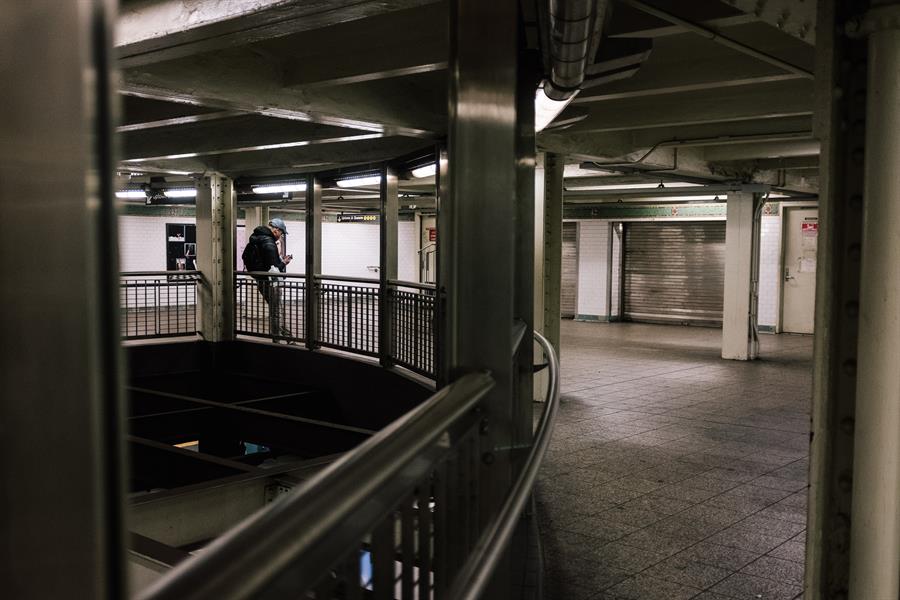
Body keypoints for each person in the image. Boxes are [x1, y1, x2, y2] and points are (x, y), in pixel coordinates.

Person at [247, 218, 293, 340]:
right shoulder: (269, 243)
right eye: (281, 233)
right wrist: (284, 262)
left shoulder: (256, 238)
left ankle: (284, 337)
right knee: (276, 311)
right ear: (276, 230)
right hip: (271, 283)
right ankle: (280, 338)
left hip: (260, 280)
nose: (281, 236)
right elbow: (274, 269)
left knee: (276, 310)